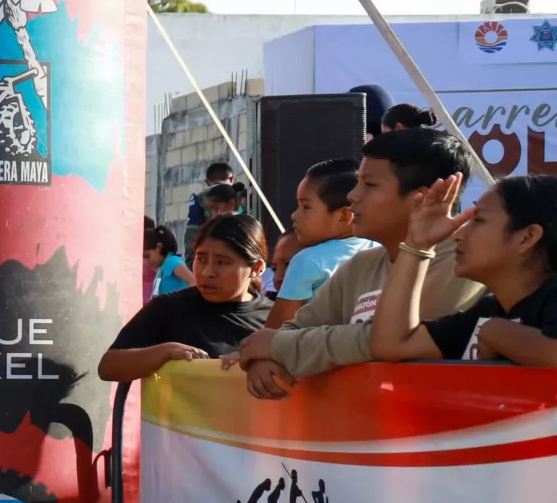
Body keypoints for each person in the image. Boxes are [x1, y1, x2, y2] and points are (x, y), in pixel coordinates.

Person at [231, 127, 482, 400]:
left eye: (369, 185)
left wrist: (279, 347)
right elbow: (292, 330)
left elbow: (401, 341)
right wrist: (267, 358)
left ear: (421, 198)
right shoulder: (360, 266)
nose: (353, 196)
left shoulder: (468, 264)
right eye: (357, 183)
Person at [371, 174, 557, 365]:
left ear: (526, 238)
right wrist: (417, 246)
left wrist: (497, 333)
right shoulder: (487, 313)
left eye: (478, 220)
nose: (457, 235)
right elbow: (392, 346)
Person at [98, 215, 270, 382]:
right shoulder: (168, 308)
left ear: (257, 268)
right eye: (201, 259)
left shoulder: (274, 318)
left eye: (222, 262)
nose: (207, 272)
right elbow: (108, 367)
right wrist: (165, 352)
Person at [266, 160, 373, 329]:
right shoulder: (378, 250)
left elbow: (276, 329)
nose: (294, 215)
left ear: (344, 216)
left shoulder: (308, 260)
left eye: (306, 207)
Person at [147, 222, 192, 301]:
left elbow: (192, 281)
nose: (146, 262)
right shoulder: (162, 268)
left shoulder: (172, 262)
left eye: (147, 256)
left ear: (159, 247)